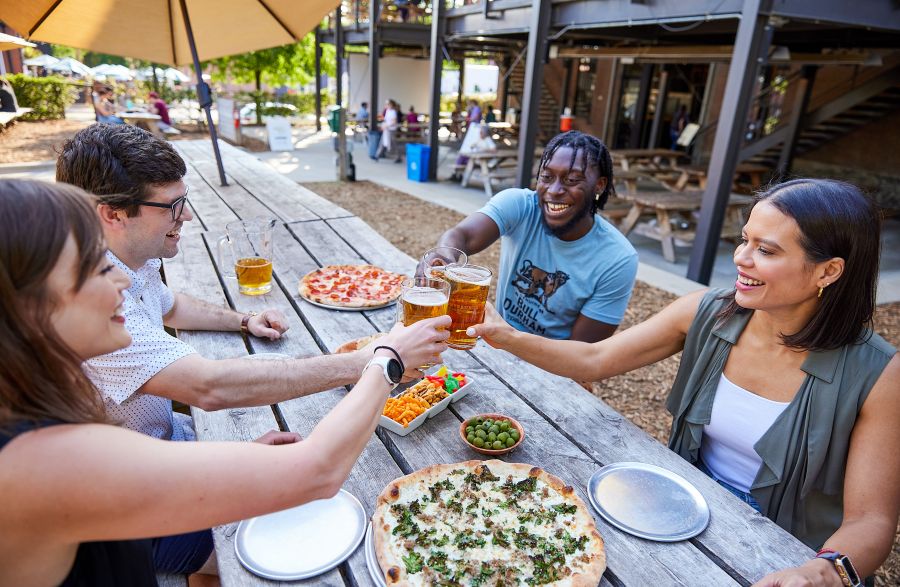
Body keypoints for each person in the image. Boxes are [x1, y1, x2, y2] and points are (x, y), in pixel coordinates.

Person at [0, 178, 450, 586]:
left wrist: (228, 463)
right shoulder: (39, 463)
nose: (121, 276)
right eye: (96, 268)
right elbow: (317, 471)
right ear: (29, 307)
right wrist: (386, 359)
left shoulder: (31, 418)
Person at [468, 179, 899, 586]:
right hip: (678, 518)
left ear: (828, 271)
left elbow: (872, 521)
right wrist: (508, 337)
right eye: (744, 240)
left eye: (766, 250)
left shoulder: (879, 374)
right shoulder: (707, 311)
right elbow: (596, 359)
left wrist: (825, 571)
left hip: (787, 558)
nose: (741, 259)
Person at [436, 130, 638, 343]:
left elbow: (581, 355)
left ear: (599, 185)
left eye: (571, 179)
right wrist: (444, 259)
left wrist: (511, 340)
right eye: (546, 177)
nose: (554, 190)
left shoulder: (618, 259)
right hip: (497, 345)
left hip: (550, 367)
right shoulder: (520, 205)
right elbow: (462, 236)